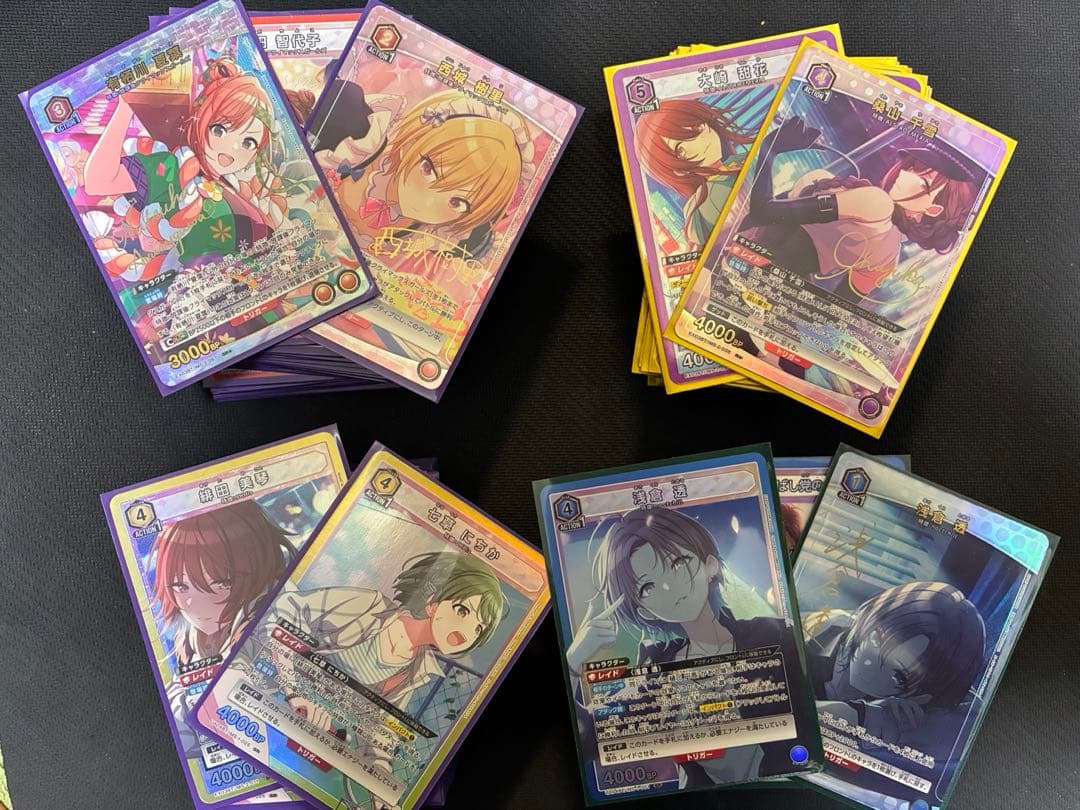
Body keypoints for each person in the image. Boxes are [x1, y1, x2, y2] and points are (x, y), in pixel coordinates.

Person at [568, 506, 793, 786]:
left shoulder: (772, 635)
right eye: (647, 587)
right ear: (644, 611)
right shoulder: (656, 678)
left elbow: (826, 688)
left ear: (710, 565)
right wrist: (573, 661)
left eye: (677, 563)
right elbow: (586, 736)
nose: (668, 587)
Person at [82, 56, 287, 284]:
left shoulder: (234, 191)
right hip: (194, 286)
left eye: (249, 142)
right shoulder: (170, 166)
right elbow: (98, 181)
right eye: (219, 130)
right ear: (201, 119)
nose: (232, 150)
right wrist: (125, 106)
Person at [803, 581, 986, 744]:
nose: (870, 665)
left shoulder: (924, 703)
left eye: (899, 675)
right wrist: (859, 714)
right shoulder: (819, 630)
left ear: (924, 695)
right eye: (876, 640)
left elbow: (971, 714)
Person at [635, 99, 752, 250]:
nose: (699, 139)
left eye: (695, 126)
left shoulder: (740, 161)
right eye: (680, 149)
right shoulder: (701, 206)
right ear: (677, 170)